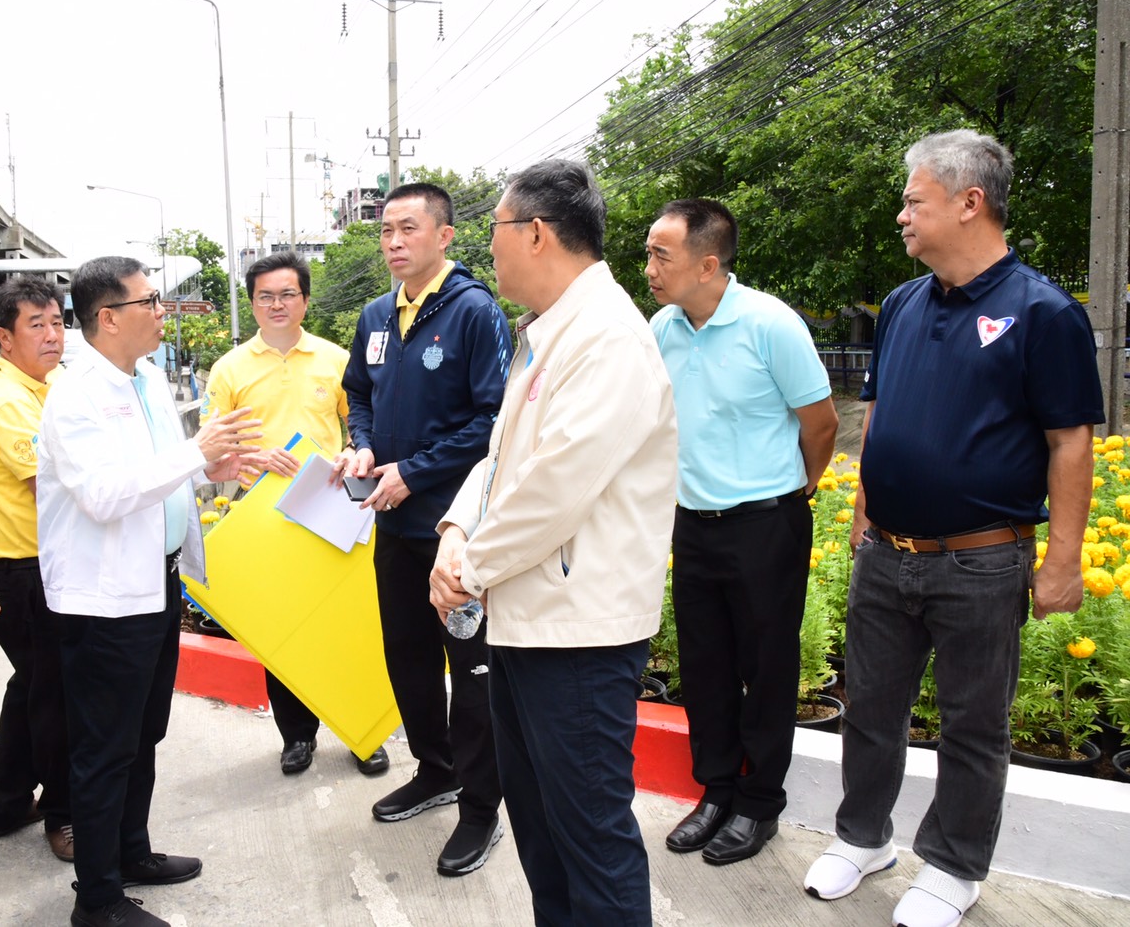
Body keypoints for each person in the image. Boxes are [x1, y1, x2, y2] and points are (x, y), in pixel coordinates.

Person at [802, 130, 1102, 927]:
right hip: (886, 554)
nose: (902, 214)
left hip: (982, 561)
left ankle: (955, 867)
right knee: (868, 708)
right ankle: (863, 838)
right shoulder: (901, 303)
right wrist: (865, 519)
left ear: (970, 203)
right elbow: (884, 417)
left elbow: (1070, 441)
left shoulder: (1043, 312)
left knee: (974, 722)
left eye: (914, 199)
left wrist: (1064, 561)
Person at [427, 158, 677, 924]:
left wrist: (470, 566)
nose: (489, 249)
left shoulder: (606, 339)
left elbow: (554, 488)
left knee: (589, 837)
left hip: (578, 636)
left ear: (535, 233)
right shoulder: (549, 333)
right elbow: (503, 459)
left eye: (496, 229)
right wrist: (456, 527)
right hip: (528, 622)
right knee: (540, 829)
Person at [37, 256, 261, 927]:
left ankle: (131, 852)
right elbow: (105, 494)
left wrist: (208, 464)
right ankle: (97, 900)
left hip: (154, 582)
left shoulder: (149, 379)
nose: (162, 311)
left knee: (143, 732)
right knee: (105, 749)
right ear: (108, 318)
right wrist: (197, 454)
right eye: (150, 301)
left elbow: (159, 472)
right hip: (104, 603)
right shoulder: (74, 397)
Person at [645, 198, 839, 865]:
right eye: (648, 253)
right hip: (693, 526)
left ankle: (760, 805)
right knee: (705, 667)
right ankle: (717, 790)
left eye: (660, 255)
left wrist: (795, 491)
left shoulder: (770, 325)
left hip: (766, 525)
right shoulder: (664, 328)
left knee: (768, 666)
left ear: (707, 263)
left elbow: (821, 425)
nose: (649, 268)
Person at [333, 181, 510, 877]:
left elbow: (493, 422)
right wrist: (365, 444)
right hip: (391, 522)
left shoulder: (474, 313)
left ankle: (481, 806)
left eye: (409, 228)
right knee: (407, 655)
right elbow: (359, 392)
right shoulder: (377, 316)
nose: (394, 242)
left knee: (470, 670)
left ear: (444, 236)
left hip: (453, 530)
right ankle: (434, 771)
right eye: (385, 232)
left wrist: (417, 469)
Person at [201, 251, 390, 778]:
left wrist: (354, 454)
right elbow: (212, 452)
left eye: (287, 294)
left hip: (331, 506)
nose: (277, 304)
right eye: (266, 295)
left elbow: (363, 429)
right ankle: (297, 736)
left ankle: (362, 735)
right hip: (264, 516)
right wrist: (251, 459)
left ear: (305, 299)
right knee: (282, 630)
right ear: (253, 302)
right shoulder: (230, 368)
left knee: (349, 623)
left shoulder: (335, 359)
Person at [0, 276, 73, 861]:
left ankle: (7, 803)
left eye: (57, 322)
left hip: (49, 563)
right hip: (25, 571)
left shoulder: (53, 384)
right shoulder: (5, 401)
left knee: (32, 686)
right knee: (56, 694)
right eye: (37, 325)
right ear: (4, 340)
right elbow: (56, 486)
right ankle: (63, 816)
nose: (52, 335)